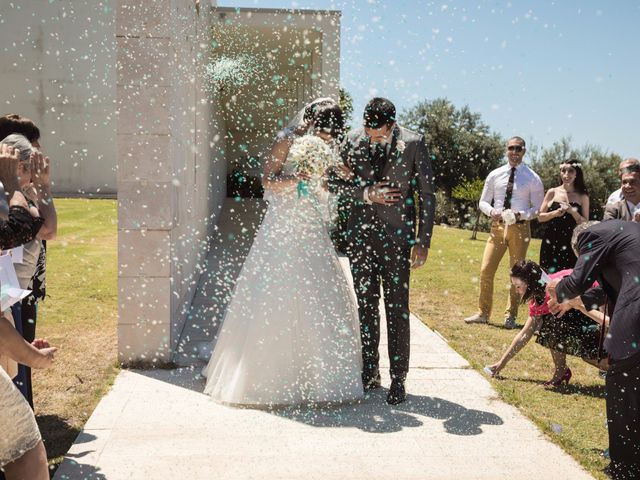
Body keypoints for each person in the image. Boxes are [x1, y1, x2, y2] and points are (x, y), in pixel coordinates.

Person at [202, 102, 365, 407]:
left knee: (318, 292)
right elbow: (266, 180)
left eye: (331, 134)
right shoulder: (287, 140)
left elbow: (338, 180)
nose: (327, 138)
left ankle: (319, 379)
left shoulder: (327, 147)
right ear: (312, 123)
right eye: (324, 132)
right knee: (275, 293)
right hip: (282, 226)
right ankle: (265, 377)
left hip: (312, 226)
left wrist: (331, 178)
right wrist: (296, 179)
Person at [328, 97, 436, 404]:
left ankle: (398, 378)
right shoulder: (350, 140)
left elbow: (427, 195)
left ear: (391, 126)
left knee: (397, 308)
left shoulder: (414, 143)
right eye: (368, 132)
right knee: (366, 305)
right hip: (360, 238)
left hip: (398, 239)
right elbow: (332, 183)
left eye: (378, 134)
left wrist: (422, 240)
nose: (371, 138)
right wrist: (365, 193)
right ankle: (370, 371)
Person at [547, 220, 640, 479]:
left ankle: (625, 467)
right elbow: (611, 288)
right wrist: (577, 302)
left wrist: (558, 290)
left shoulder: (591, 235)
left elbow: (577, 281)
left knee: (622, 385)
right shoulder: (625, 235)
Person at [465, 136, 544, 329]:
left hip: (520, 228)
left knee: (516, 275)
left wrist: (521, 214)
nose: (514, 152)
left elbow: (539, 208)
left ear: (524, 151)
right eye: (511, 148)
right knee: (485, 270)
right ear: (506, 150)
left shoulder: (532, 177)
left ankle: (511, 316)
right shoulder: (495, 174)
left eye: (518, 149)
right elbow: (483, 202)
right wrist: (492, 211)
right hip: (497, 228)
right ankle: (483, 313)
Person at [485, 260, 607, 386]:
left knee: (592, 356)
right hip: (587, 313)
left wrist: (607, 335)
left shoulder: (556, 287)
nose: (516, 291)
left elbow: (601, 296)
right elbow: (524, 334)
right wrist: (501, 363)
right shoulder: (538, 299)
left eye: (518, 286)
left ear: (530, 283)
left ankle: (617, 369)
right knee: (551, 324)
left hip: (603, 310)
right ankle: (561, 371)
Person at [537, 160, 589, 273]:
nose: (566, 174)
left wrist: (572, 212)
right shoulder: (552, 192)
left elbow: (586, 224)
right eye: (563, 170)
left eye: (570, 171)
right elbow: (540, 217)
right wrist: (555, 213)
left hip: (571, 242)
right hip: (551, 239)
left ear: (577, 174)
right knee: (548, 275)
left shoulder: (582, 196)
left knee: (569, 276)